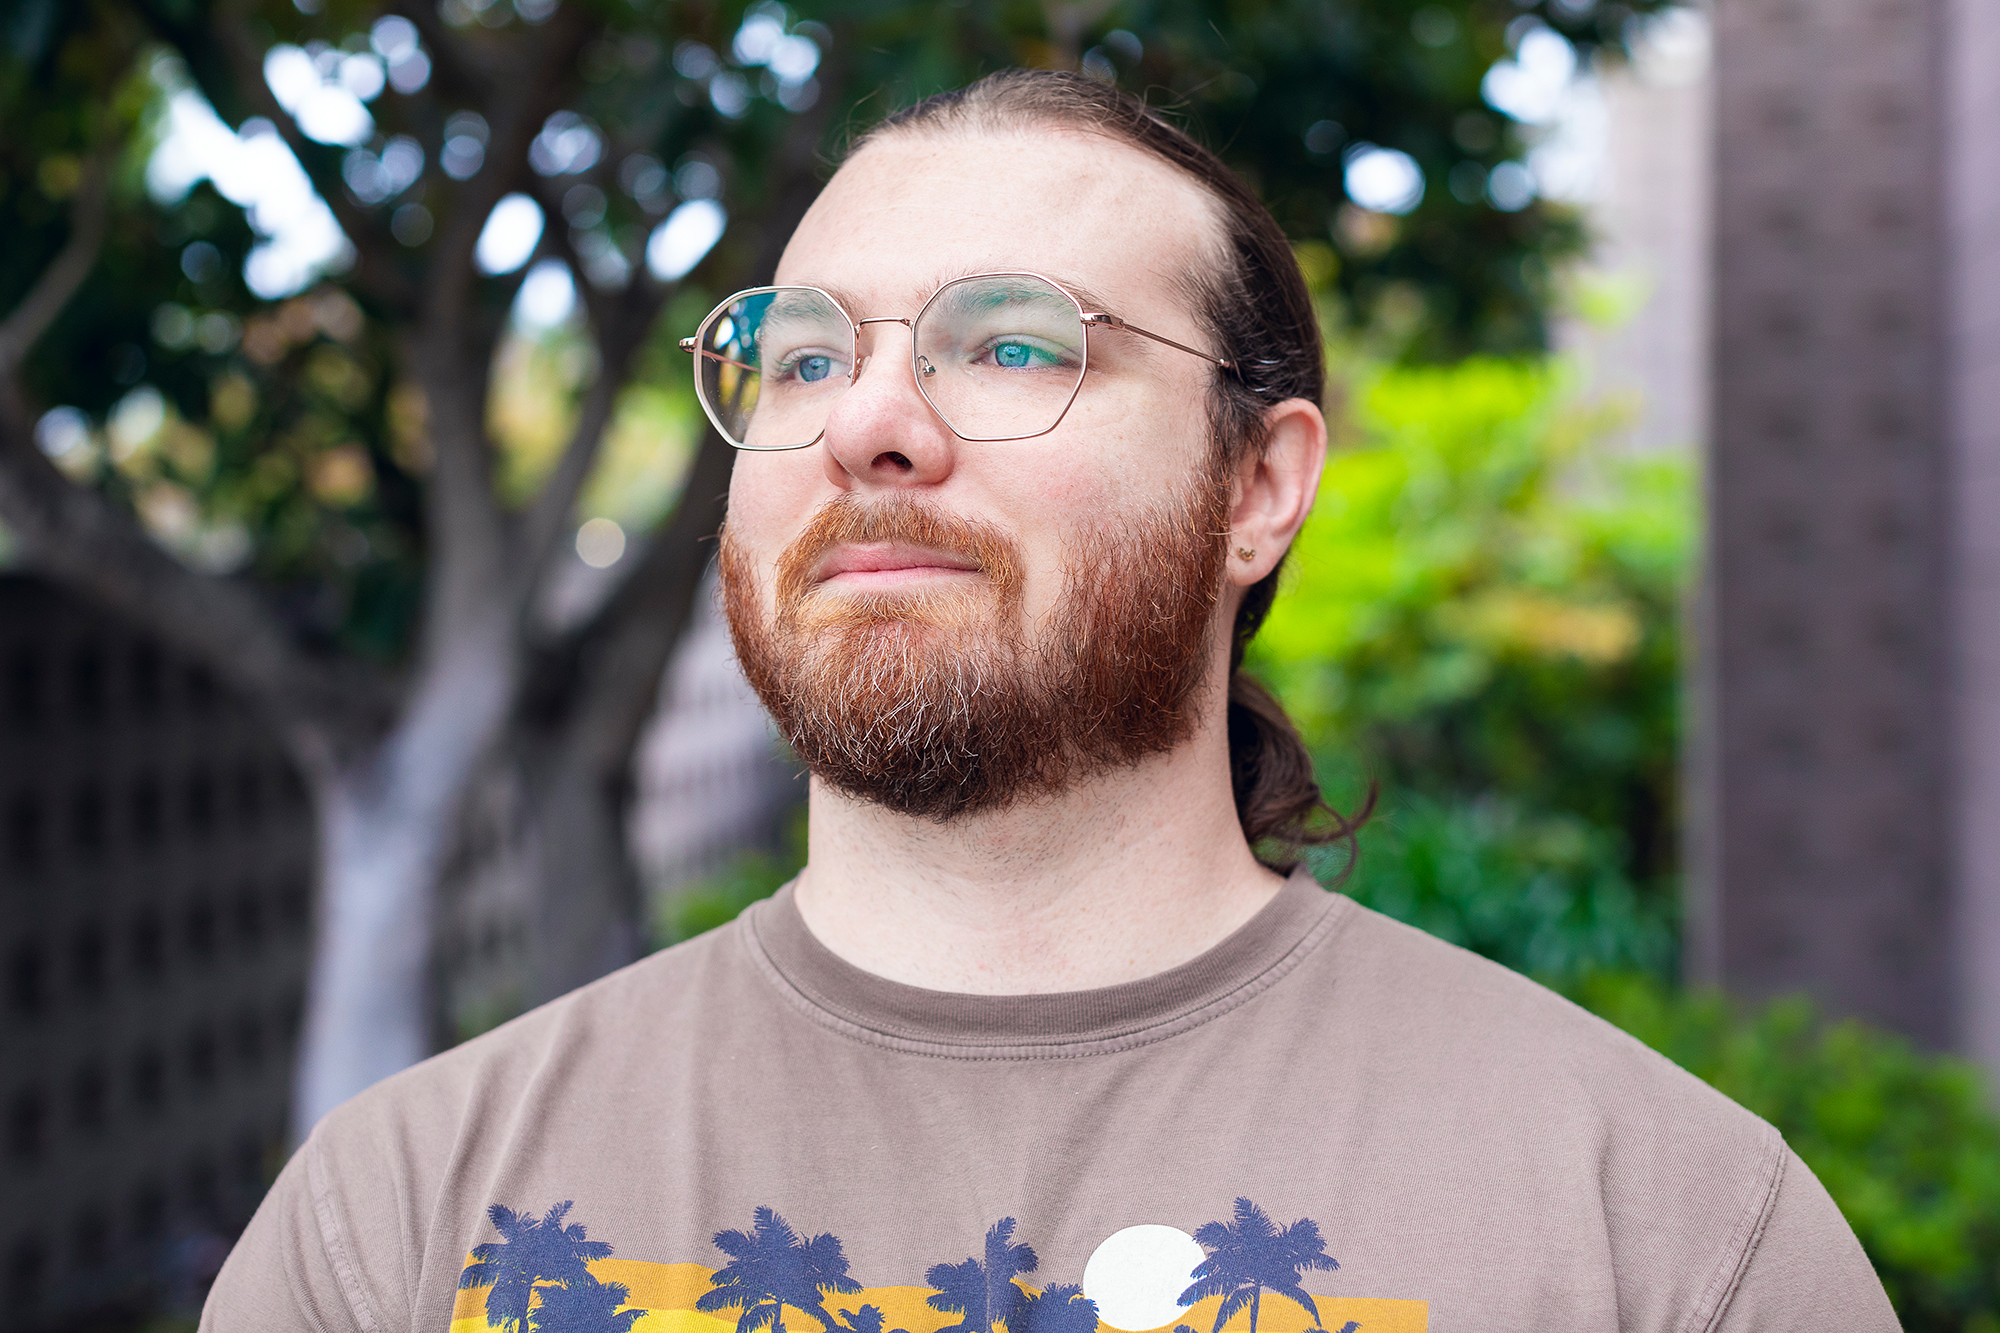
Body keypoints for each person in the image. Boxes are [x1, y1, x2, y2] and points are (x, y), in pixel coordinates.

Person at [202, 70, 1898, 1333]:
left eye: (1010, 345)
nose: (868, 422)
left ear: (1258, 486)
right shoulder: (398, 1225)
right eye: (804, 355)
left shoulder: (1668, 1241)